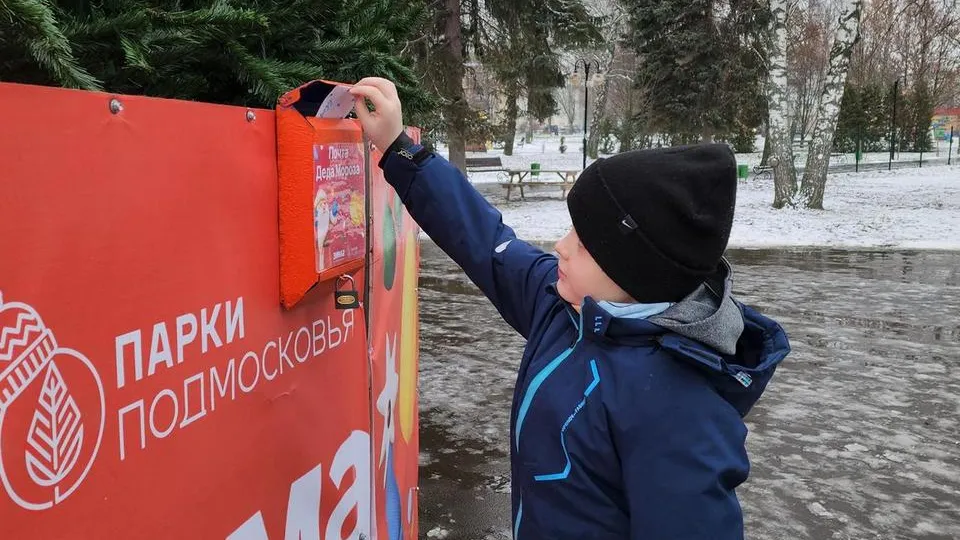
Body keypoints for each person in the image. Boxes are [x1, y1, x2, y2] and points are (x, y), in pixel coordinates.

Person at [349, 78, 790, 539]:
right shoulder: (563, 306)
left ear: (631, 272)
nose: (559, 246)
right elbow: (484, 240)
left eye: (582, 243)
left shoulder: (681, 411)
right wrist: (398, 147)